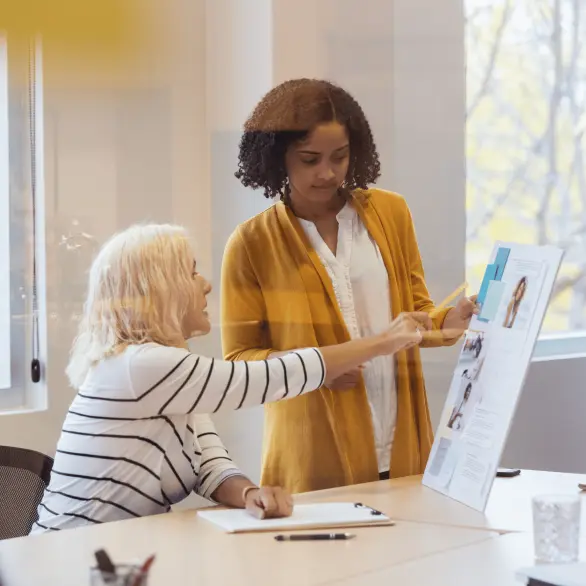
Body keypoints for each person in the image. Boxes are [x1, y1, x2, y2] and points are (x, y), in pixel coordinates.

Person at [32, 223, 426, 533]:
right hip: (68, 560)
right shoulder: (139, 366)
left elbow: (208, 464)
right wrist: (382, 342)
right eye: (191, 272)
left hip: (116, 556)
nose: (205, 284)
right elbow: (263, 378)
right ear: (160, 289)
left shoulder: (165, 375)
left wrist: (250, 494)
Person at [221, 78, 478, 493]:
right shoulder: (251, 243)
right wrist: (319, 370)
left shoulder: (391, 213)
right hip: (312, 453)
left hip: (402, 443)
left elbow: (414, 315)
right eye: (309, 159)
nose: (327, 173)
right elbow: (239, 361)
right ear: (277, 159)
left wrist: (451, 318)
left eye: (339, 157)